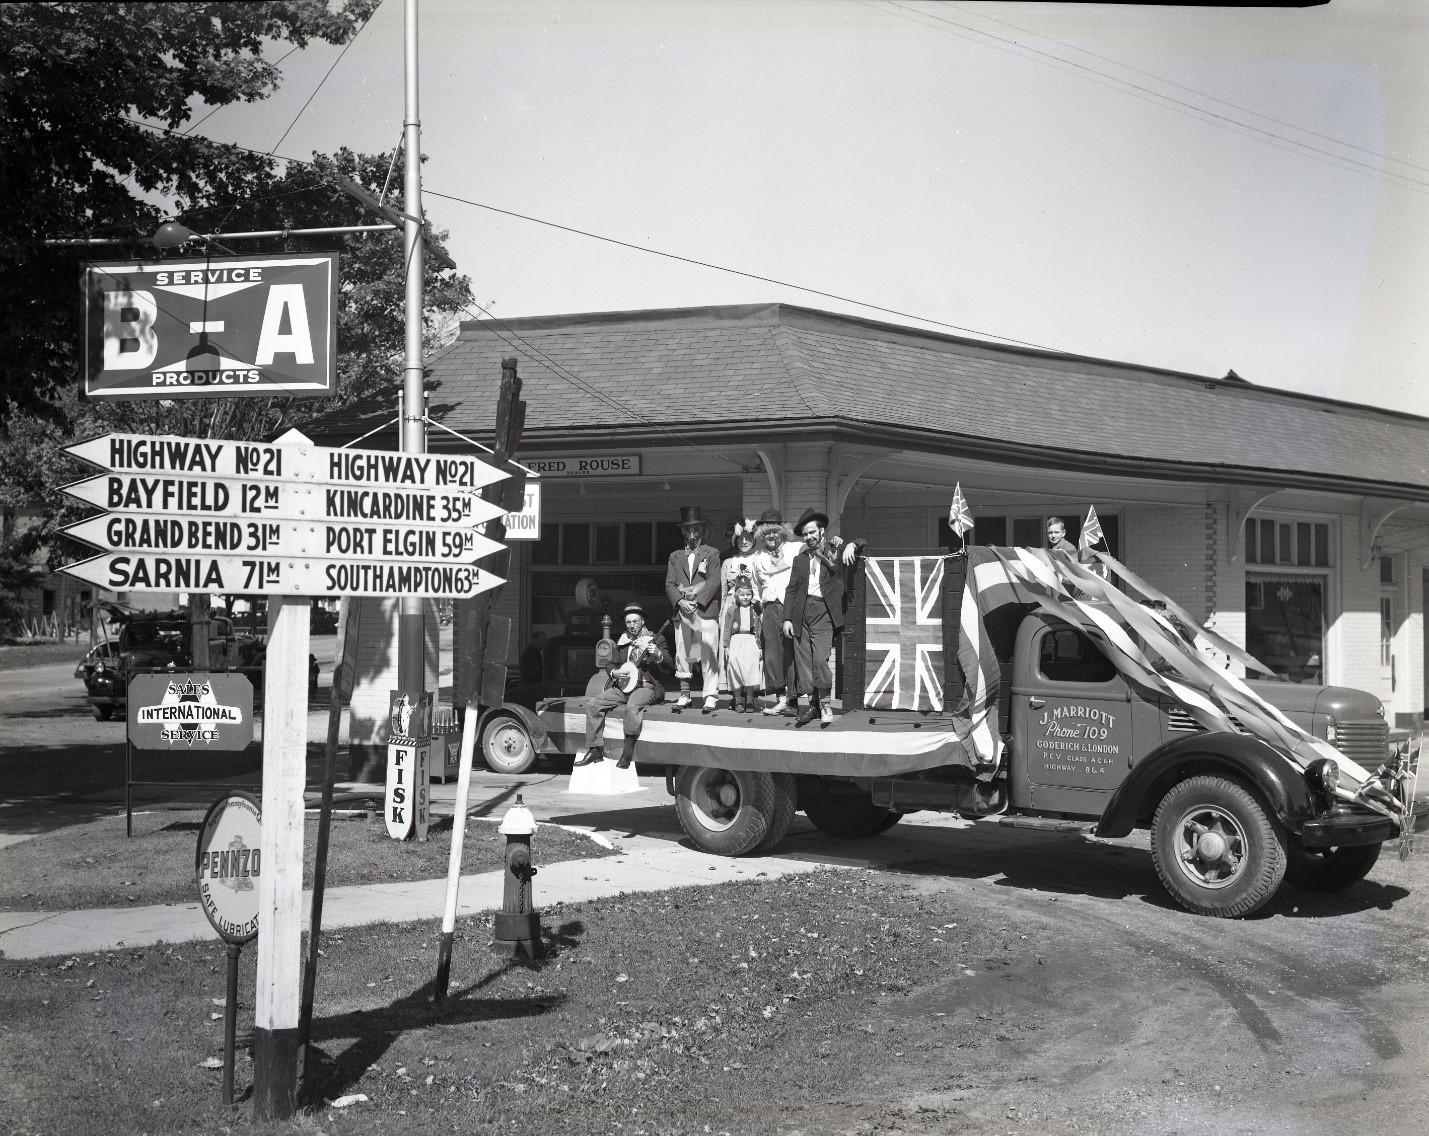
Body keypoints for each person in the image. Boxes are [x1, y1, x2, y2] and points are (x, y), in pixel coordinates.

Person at [782, 507, 866, 727]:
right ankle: (812, 705)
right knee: (804, 662)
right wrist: (787, 618)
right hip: (801, 612)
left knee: (820, 659)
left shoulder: (835, 549)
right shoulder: (799, 560)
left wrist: (852, 544)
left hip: (824, 612)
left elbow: (862, 540)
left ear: (821, 530)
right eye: (805, 534)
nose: (809, 537)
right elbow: (791, 590)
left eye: (812, 532)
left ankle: (826, 704)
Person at [575, 601, 670, 770]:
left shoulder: (656, 639)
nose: (632, 625)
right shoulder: (623, 641)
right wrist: (615, 673)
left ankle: (627, 753)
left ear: (642, 622)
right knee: (594, 705)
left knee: (633, 707)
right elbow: (611, 663)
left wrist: (657, 653)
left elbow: (669, 666)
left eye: (635, 621)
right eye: (628, 622)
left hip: (644, 686)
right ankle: (594, 749)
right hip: (623, 687)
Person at [664, 505, 722, 712]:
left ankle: (710, 696)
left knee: (708, 652)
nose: (692, 534)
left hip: (705, 612)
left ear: (701, 531)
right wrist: (680, 602)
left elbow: (714, 580)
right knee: (684, 652)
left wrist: (696, 601)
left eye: (695, 530)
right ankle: (685, 694)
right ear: (682, 532)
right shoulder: (675, 556)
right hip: (683, 612)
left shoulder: (712, 553)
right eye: (687, 530)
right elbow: (670, 583)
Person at [750, 509, 800, 715]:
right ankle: (780, 698)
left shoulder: (796, 548)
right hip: (770, 608)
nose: (771, 536)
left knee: (794, 652)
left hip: (793, 606)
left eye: (775, 531)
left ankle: (794, 699)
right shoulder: (757, 558)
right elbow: (755, 587)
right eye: (767, 532)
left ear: (783, 531)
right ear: (761, 535)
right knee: (773, 654)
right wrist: (760, 612)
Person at [718, 518, 760, 691]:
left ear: (753, 540)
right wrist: (722, 612)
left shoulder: (758, 559)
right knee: (732, 649)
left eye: (748, 538)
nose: (744, 542)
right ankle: (735, 690)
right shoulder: (729, 562)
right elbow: (722, 589)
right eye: (741, 539)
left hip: (753, 608)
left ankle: (751, 690)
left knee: (750, 649)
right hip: (732, 607)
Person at [720, 572, 763, 713]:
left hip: (751, 641)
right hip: (736, 641)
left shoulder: (755, 608)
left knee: (750, 669)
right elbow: (727, 628)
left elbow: (760, 627)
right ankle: (738, 700)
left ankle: (749, 700)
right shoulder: (732, 610)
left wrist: (760, 646)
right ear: (737, 595)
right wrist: (726, 645)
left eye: (748, 594)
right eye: (742, 594)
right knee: (735, 669)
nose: (745, 597)